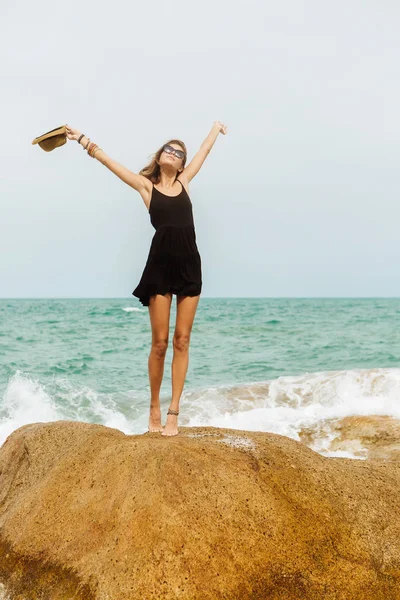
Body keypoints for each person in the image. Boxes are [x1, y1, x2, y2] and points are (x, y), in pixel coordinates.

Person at [65, 122, 227, 436]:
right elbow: (111, 163)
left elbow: (205, 152)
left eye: (180, 153)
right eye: (169, 149)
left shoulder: (186, 181)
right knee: (160, 343)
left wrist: (214, 129)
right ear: (160, 156)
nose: (174, 154)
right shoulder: (146, 187)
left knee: (182, 340)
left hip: (190, 265)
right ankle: (153, 406)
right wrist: (83, 139)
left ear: (182, 163)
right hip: (160, 268)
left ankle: (173, 412)